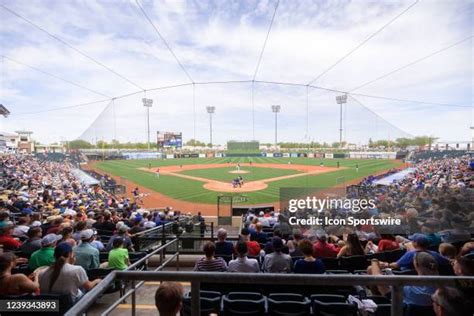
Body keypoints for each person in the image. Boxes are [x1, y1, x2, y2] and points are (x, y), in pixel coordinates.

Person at [368, 251, 438, 306]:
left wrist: (374, 261)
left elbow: (378, 278)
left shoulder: (411, 290)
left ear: (416, 264)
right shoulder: (445, 285)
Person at [379, 233, 450, 270]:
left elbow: (396, 265)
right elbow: (448, 261)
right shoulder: (434, 254)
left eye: (413, 240)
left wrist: (387, 264)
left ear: (415, 243)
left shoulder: (411, 254)